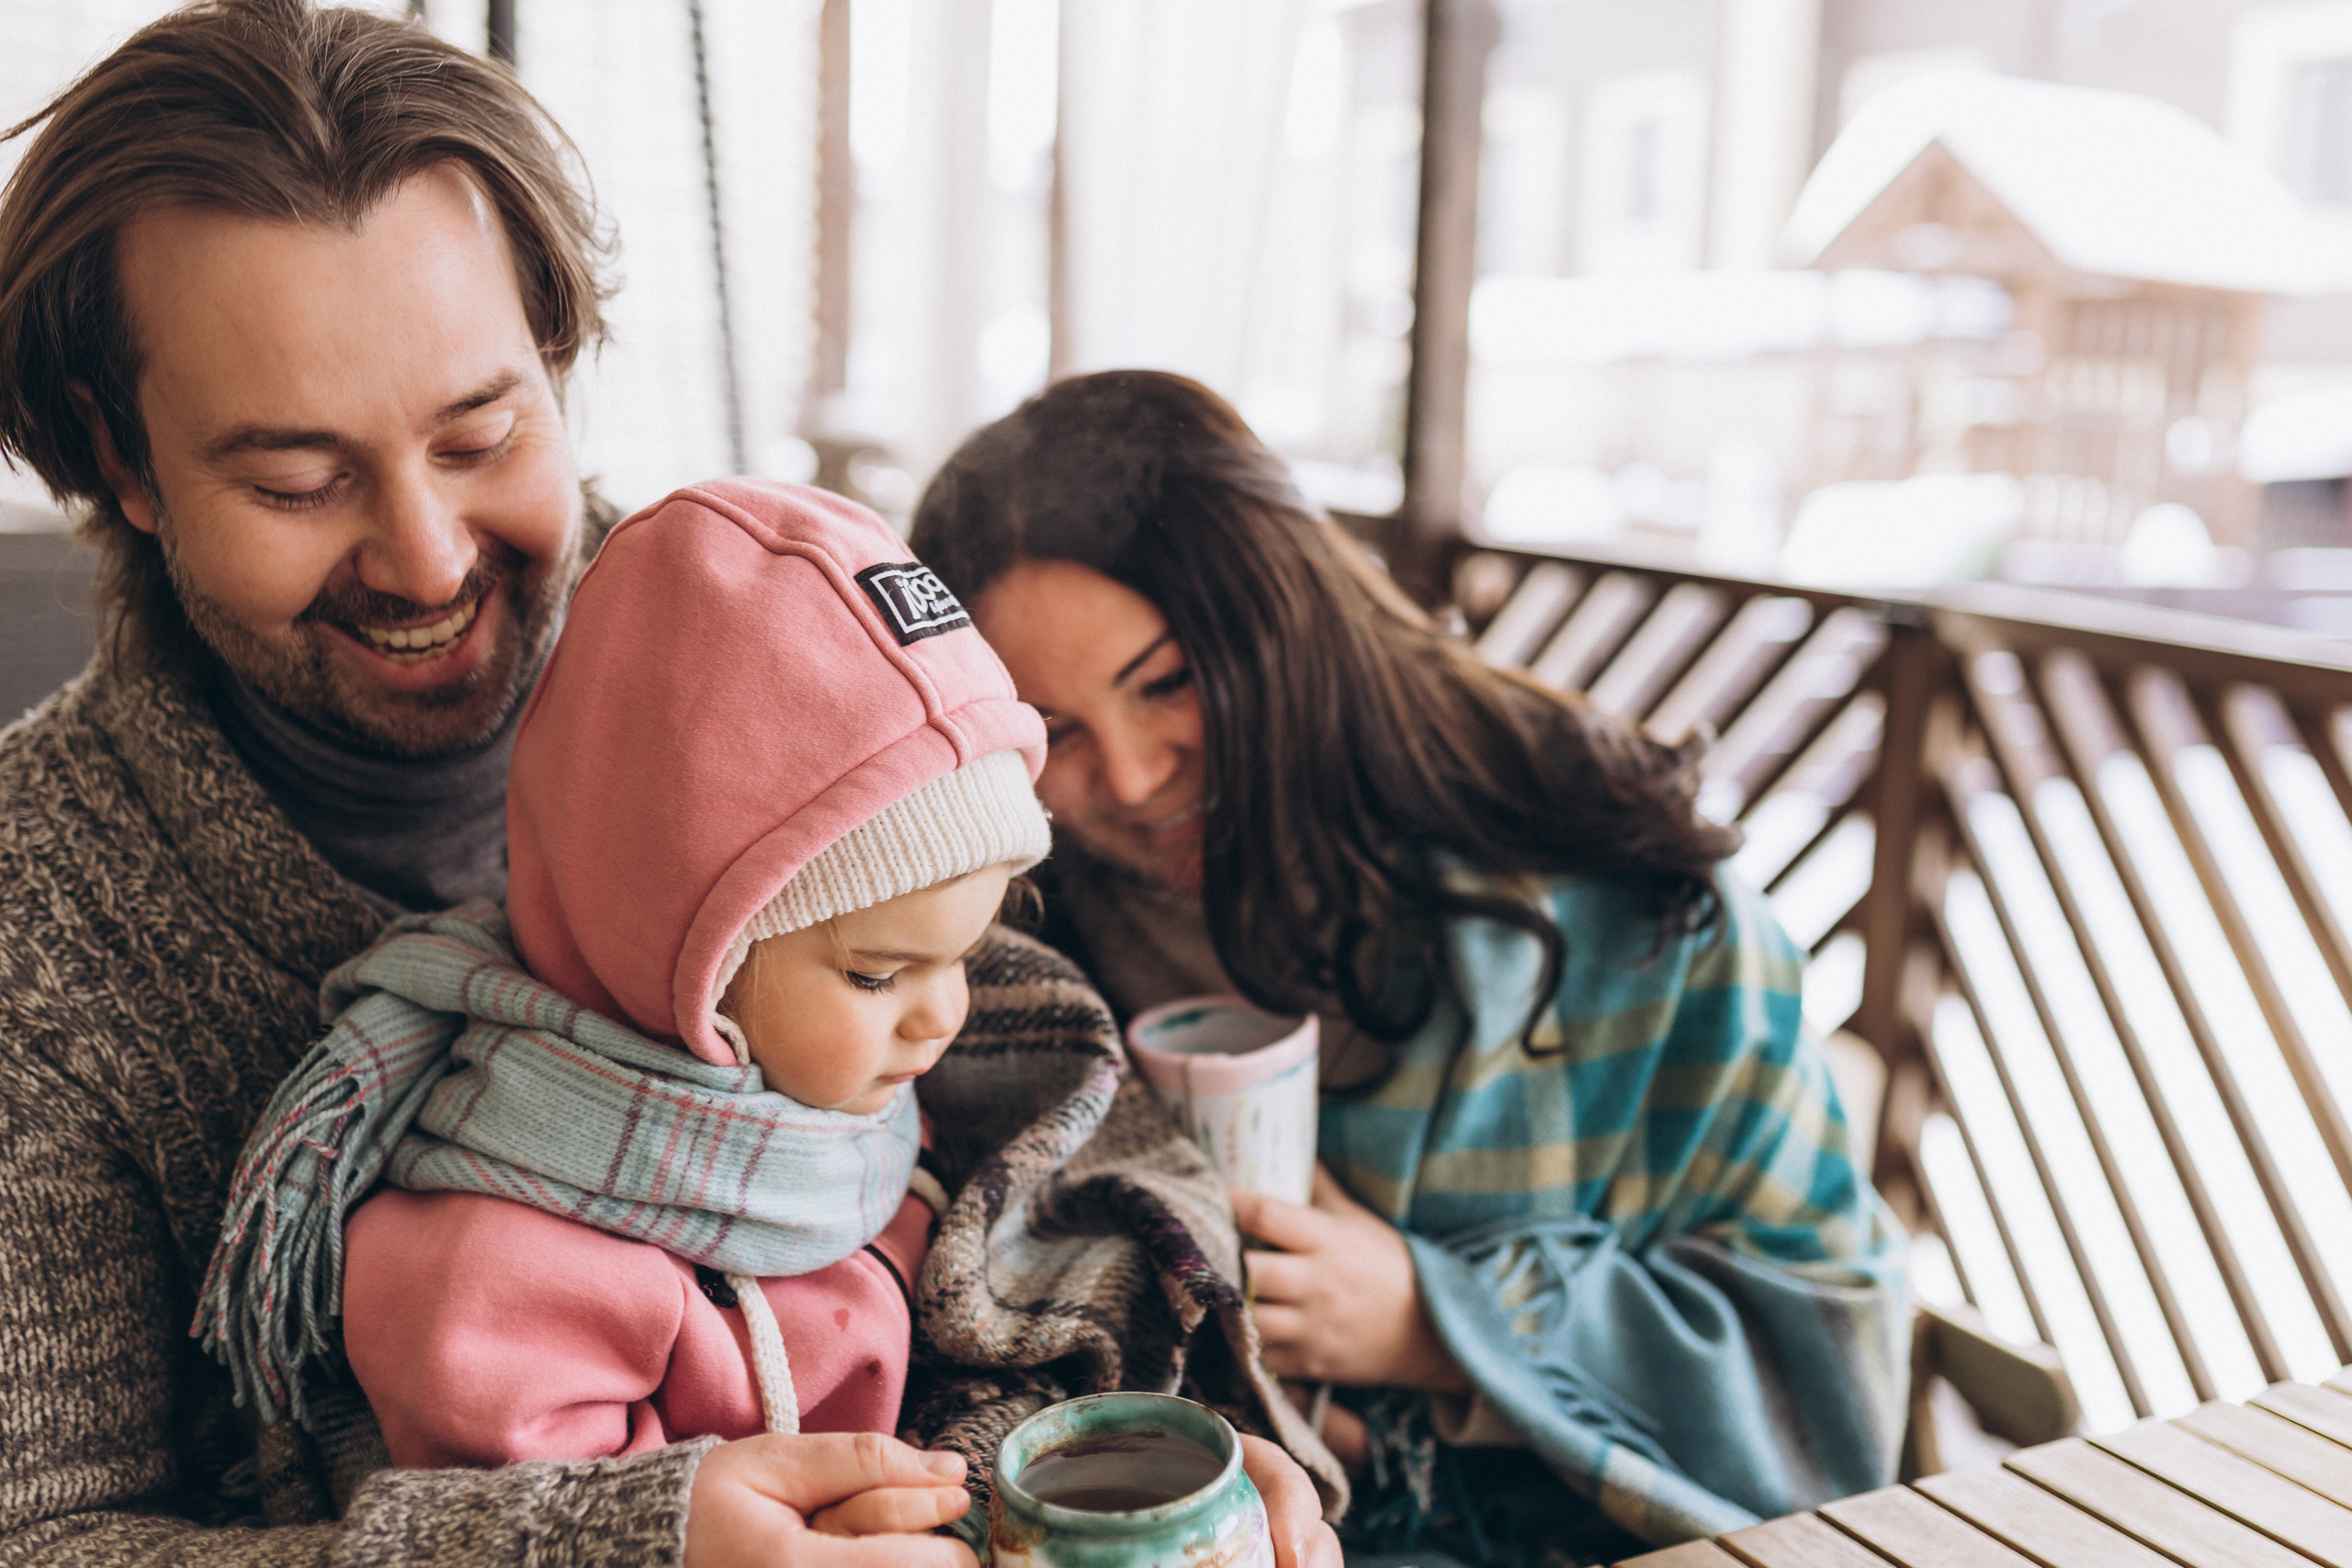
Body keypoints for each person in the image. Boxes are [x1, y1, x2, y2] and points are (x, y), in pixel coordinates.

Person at [0, 6, 1341, 1562]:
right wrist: (627, 1543)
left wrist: (1140, 1437)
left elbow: (1025, 1095)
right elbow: (47, 1535)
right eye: (295, 480)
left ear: (558, 365)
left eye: (482, 433)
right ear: (123, 460)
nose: (429, 558)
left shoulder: (758, 645)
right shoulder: (40, 918)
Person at [910, 370, 1912, 1566]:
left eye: (1167, 681)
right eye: (1052, 730)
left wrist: (1443, 1320)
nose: (1126, 778)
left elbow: (1832, 1370)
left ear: (1282, 618)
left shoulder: (1636, 907)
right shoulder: (1007, 955)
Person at [198, 480, 1049, 1481]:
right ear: (689, 961)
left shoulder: (840, 1107)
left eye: (966, 953)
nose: (943, 1016)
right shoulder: (499, 1271)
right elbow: (542, 1519)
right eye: (877, 976)